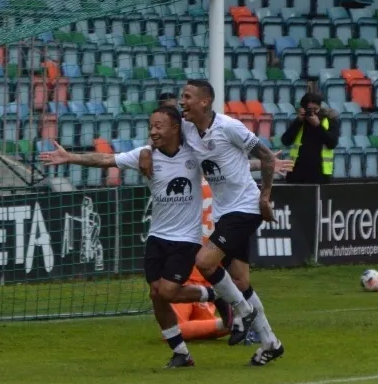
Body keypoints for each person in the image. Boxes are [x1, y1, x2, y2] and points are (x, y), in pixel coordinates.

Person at [139, 79, 285, 366]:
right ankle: (271, 343)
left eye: (188, 96)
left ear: (205, 101)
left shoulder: (229, 127)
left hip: (244, 207)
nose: (183, 101)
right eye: (182, 96)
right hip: (223, 212)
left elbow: (265, 156)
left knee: (205, 261)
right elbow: (160, 134)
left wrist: (265, 196)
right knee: (241, 281)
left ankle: (242, 313)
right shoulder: (189, 128)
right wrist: (145, 150)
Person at [280, 92, 341, 184]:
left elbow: (332, 143)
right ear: (303, 109)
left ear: (320, 107)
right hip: (297, 172)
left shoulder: (330, 120)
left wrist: (318, 126)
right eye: (309, 110)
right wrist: (298, 122)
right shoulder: (299, 122)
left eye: (315, 109)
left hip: (320, 173)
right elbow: (285, 141)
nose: (312, 113)